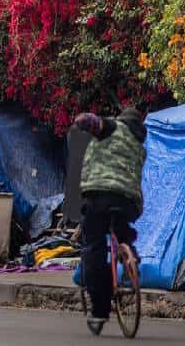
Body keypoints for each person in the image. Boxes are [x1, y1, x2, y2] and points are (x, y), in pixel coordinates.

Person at [73, 106, 147, 335]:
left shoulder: (113, 127)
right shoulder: (139, 145)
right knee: (121, 229)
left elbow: (88, 121)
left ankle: (100, 310)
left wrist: (82, 121)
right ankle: (130, 256)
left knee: (93, 246)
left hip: (100, 195)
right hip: (129, 202)